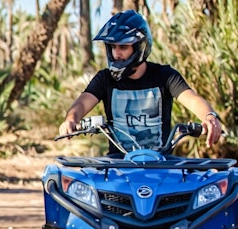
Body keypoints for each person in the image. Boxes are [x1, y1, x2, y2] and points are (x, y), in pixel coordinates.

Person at [58, 10, 222, 151]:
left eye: (123, 47)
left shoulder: (165, 76)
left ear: (140, 47)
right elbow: (82, 102)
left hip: (159, 164)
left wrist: (209, 116)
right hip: (118, 164)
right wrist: (71, 120)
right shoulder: (105, 79)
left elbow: (192, 99)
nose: (116, 54)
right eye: (112, 47)